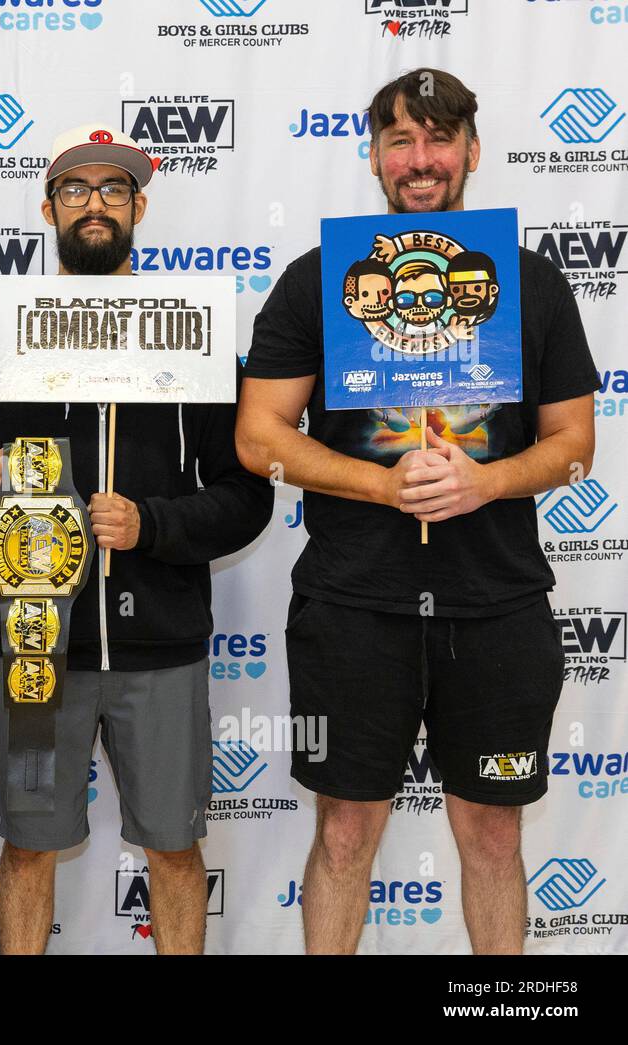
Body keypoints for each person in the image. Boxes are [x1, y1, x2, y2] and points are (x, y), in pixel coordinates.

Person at [236, 68, 598, 954]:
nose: (421, 159)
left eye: (439, 139)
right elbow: (257, 437)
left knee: (494, 835)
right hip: (356, 602)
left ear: (473, 152)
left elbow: (576, 444)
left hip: (498, 602)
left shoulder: (534, 282)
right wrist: (381, 483)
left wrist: (488, 480)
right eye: (401, 141)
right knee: (346, 834)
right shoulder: (319, 279)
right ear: (374, 157)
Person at [0, 124, 273, 954]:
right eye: (77, 189)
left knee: (175, 848)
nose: (95, 204)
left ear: (139, 207)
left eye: (113, 190)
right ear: (48, 208)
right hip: (34, 648)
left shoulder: (189, 336)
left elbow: (247, 495)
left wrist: (152, 524)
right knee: (28, 846)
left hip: (159, 645)